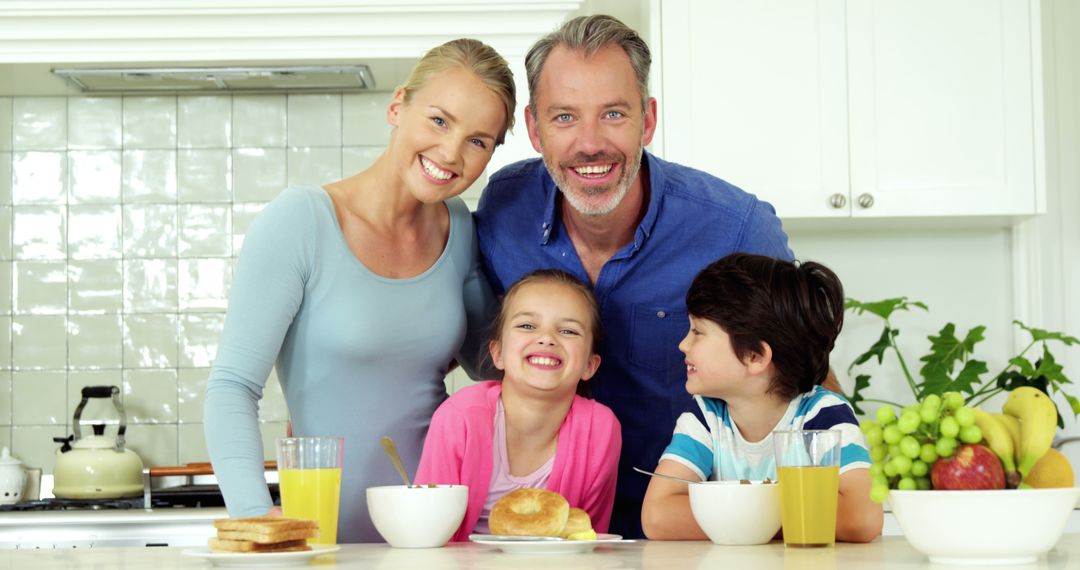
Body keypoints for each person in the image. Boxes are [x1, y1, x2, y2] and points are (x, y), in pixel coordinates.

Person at [473, 15, 794, 537]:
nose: (590, 143)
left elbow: (803, 375)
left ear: (648, 120)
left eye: (614, 114)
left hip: (694, 529)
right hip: (540, 531)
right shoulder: (503, 209)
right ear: (533, 129)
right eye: (564, 117)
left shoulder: (736, 227)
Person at [204, 38, 516, 543]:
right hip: (326, 540)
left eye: (478, 141)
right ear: (398, 106)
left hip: (437, 538)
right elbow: (232, 388)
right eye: (439, 120)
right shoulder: (301, 222)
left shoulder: (460, 229)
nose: (451, 152)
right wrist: (260, 525)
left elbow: (496, 367)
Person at [640, 253, 882, 543]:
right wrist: (797, 515)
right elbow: (657, 517)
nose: (683, 344)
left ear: (755, 356)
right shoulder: (706, 416)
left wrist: (740, 517)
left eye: (698, 332)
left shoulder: (823, 416)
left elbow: (861, 518)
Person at [415, 269, 621, 542]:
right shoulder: (459, 417)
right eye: (527, 326)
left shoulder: (601, 429)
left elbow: (588, 539)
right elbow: (426, 532)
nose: (547, 338)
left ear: (589, 365)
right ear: (498, 353)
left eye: (568, 330)